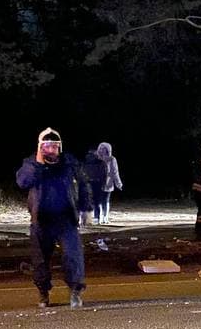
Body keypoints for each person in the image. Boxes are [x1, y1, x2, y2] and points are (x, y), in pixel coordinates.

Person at [16, 128, 93, 308]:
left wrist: (86, 208)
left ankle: (75, 291)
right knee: (40, 260)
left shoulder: (68, 162)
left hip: (66, 219)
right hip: (42, 219)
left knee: (73, 256)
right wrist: (38, 163)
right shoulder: (31, 163)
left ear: (60, 147)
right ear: (40, 147)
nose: (51, 150)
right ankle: (43, 292)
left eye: (54, 146)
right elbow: (23, 182)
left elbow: (83, 182)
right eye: (47, 146)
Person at [95, 142, 123, 224]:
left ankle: (105, 217)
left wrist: (118, 183)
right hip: (97, 184)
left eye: (104, 148)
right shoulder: (96, 159)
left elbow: (115, 172)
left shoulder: (112, 159)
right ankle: (97, 218)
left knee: (106, 201)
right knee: (98, 201)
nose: (102, 150)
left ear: (108, 150)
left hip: (108, 184)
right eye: (100, 148)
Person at [81, 147, 106, 226]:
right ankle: (95, 218)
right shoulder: (100, 163)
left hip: (90, 183)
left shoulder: (85, 162)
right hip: (95, 183)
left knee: (89, 202)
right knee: (96, 202)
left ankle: (87, 220)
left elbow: (82, 173)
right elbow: (103, 174)